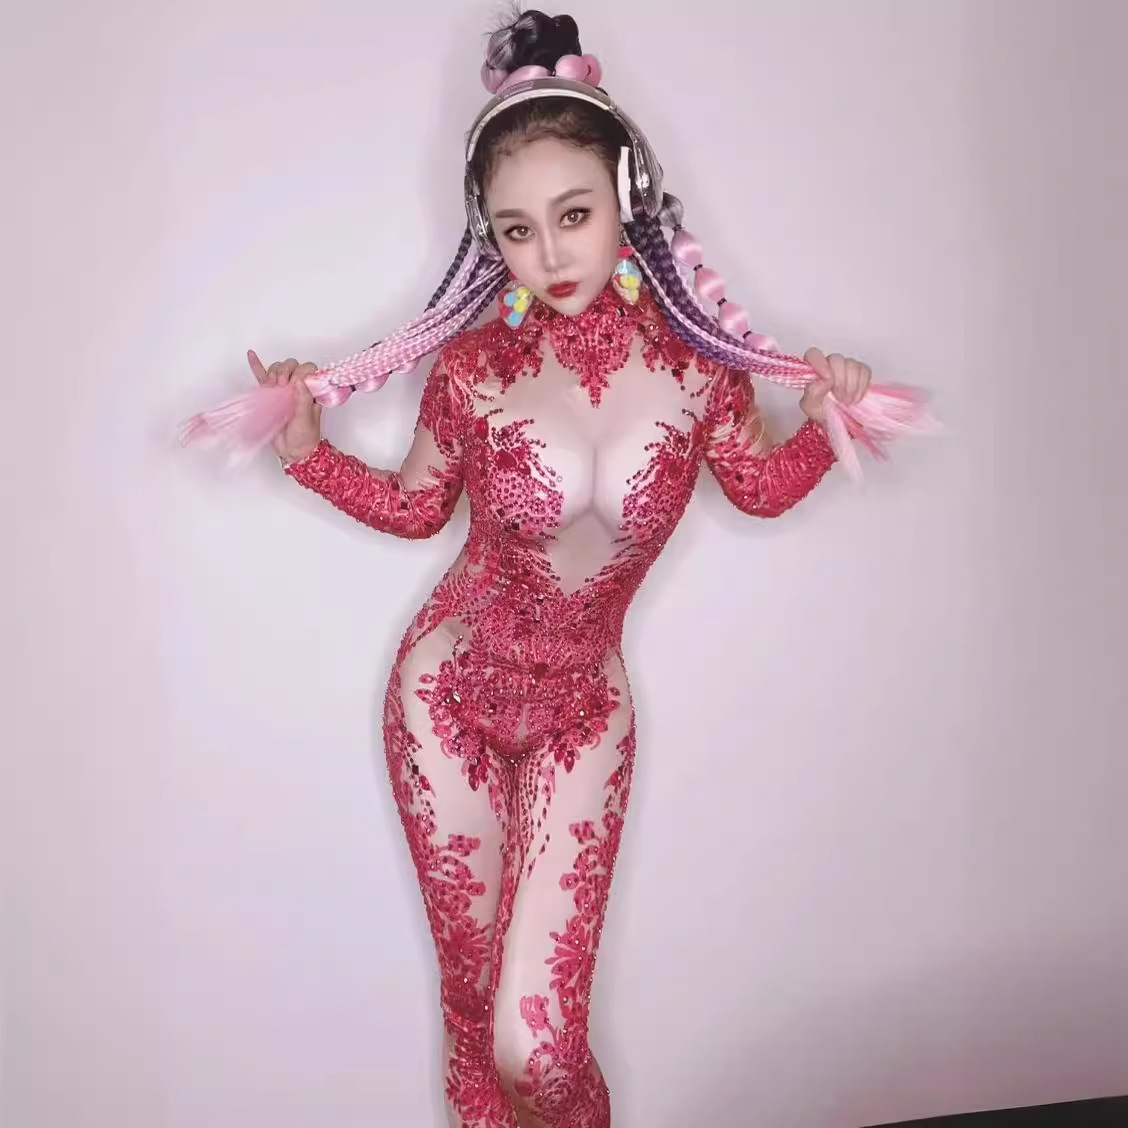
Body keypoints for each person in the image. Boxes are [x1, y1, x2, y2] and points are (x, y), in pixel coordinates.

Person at [180, 9, 931, 1126]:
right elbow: (417, 508)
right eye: (518, 229)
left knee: (538, 1046)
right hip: (446, 696)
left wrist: (826, 421)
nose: (551, 254)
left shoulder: (703, 371)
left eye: (574, 215)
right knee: (477, 1020)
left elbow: (760, 489)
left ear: (627, 195)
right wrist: (305, 452)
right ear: (491, 238)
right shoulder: (473, 368)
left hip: (586, 709)